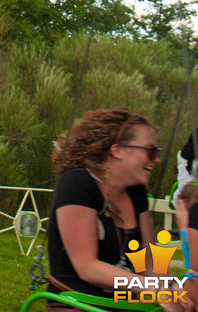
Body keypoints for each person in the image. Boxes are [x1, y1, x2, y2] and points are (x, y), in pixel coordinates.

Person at [45, 107, 190, 311]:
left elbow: (150, 264)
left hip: (123, 303)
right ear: (118, 150)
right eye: (150, 151)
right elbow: (87, 267)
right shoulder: (78, 183)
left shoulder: (136, 192)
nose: (156, 159)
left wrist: (178, 290)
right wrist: (153, 289)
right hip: (77, 302)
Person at [173, 129, 198, 204]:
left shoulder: (182, 154)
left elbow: (175, 167)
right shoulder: (194, 162)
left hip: (181, 198)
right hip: (189, 201)